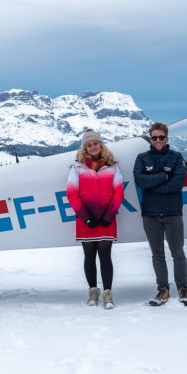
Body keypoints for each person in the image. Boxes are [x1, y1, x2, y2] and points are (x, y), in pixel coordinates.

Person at [66, 129, 124, 309]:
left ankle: (107, 294)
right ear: (85, 148)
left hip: (107, 219)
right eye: (89, 145)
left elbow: (119, 192)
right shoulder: (77, 167)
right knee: (89, 256)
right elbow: (71, 194)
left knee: (105, 256)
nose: (92, 147)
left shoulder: (112, 166)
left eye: (95, 143)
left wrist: (108, 216)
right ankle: (93, 292)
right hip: (86, 220)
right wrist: (85, 217)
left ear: (101, 145)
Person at [133, 122, 187, 305]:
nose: (158, 140)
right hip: (150, 214)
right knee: (157, 254)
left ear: (167, 138)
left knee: (178, 252)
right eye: (154, 137)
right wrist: (165, 177)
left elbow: (177, 184)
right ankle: (163, 290)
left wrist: (153, 184)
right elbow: (141, 182)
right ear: (150, 139)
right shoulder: (141, 158)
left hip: (173, 212)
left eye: (161, 137)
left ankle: (183, 288)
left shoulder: (176, 157)